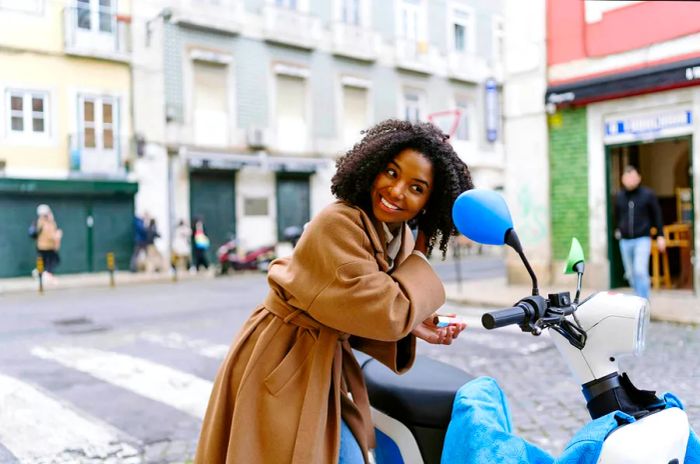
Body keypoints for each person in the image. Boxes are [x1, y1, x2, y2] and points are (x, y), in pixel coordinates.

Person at [195, 120, 473, 464]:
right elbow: (386, 311)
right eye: (390, 172)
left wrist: (415, 322)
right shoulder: (339, 223)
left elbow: (362, 307)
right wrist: (416, 267)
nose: (397, 190)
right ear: (371, 167)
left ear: (430, 202)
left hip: (318, 364)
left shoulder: (393, 233)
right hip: (283, 359)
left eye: (416, 187)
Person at [614, 165, 666, 299]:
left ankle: (644, 302)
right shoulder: (619, 196)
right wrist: (618, 229)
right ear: (623, 179)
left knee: (640, 270)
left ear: (639, 178)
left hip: (642, 239)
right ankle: (637, 300)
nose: (630, 180)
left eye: (633, 177)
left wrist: (660, 235)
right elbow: (617, 215)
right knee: (631, 274)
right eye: (628, 177)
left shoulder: (648, 195)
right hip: (625, 241)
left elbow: (657, 215)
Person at [32, 204, 62, 281]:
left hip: (43, 245)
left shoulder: (48, 222)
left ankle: (39, 272)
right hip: (46, 246)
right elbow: (49, 234)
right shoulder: (44, 222)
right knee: (49, 261)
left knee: (44, 260)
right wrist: (57, 235)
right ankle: (44, 274)